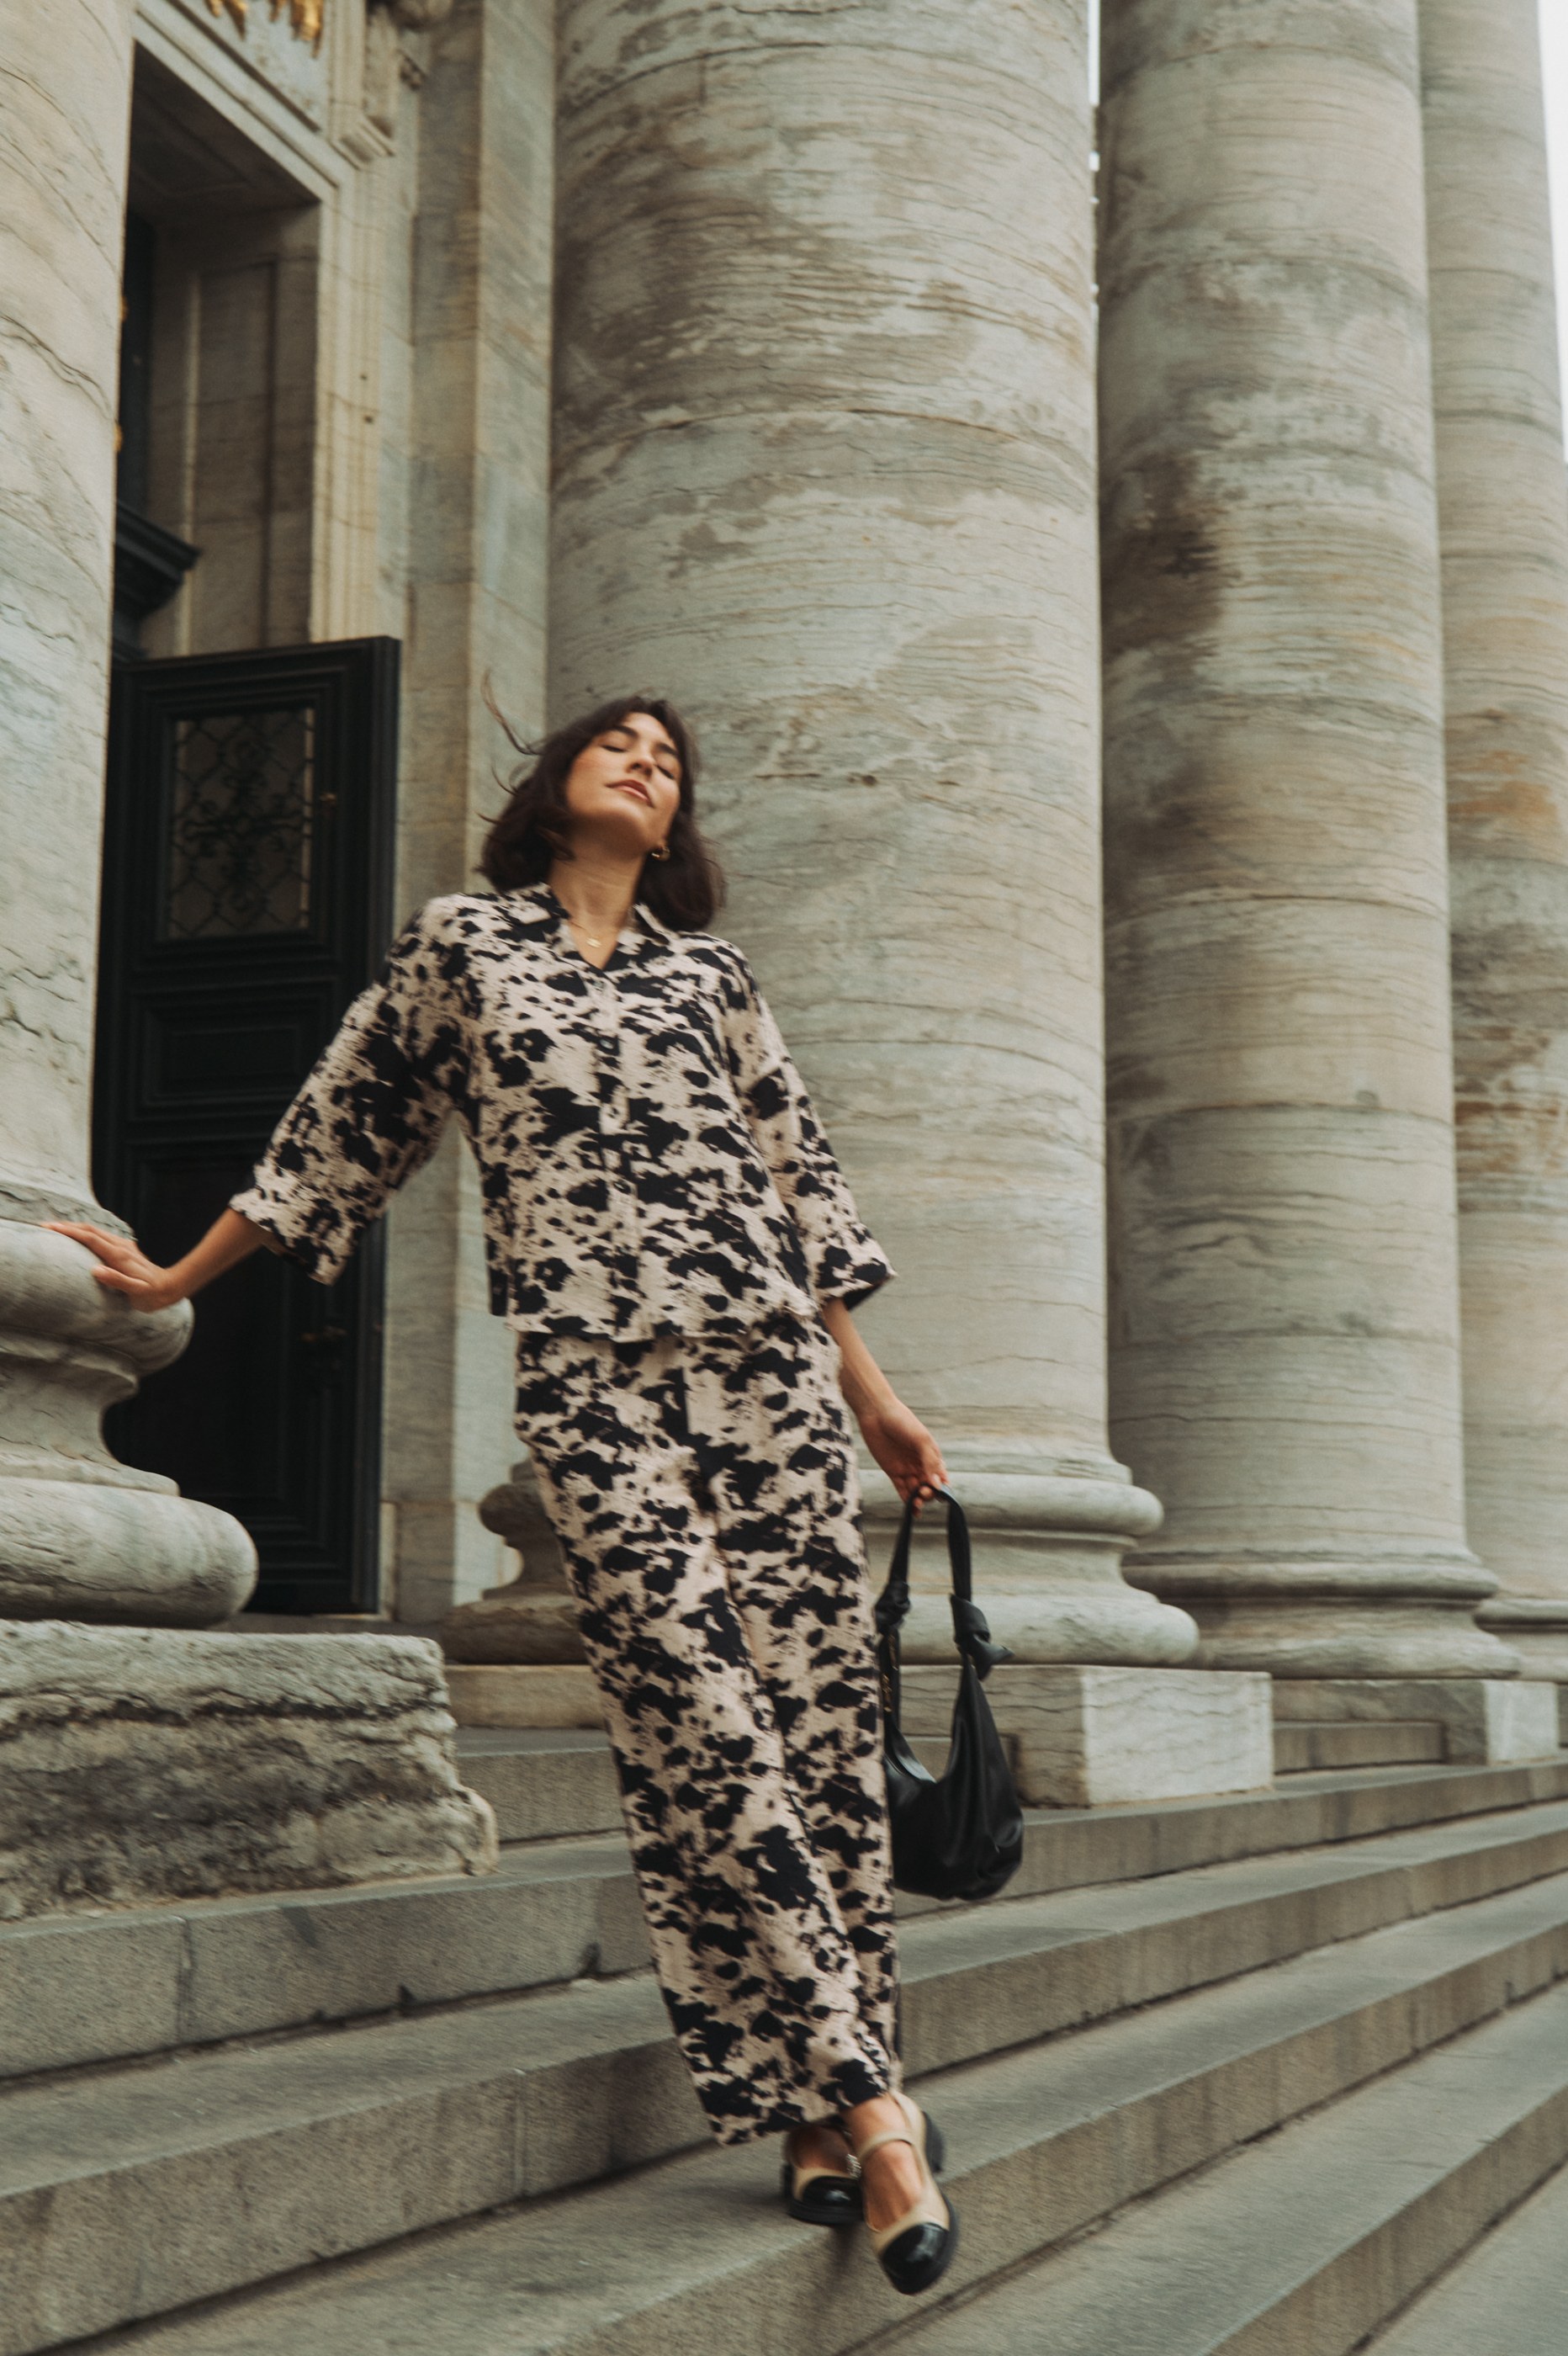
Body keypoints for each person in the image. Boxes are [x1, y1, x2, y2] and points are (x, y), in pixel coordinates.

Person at [49, 694, 957, 2295]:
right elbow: (341, 1130)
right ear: (555, 790)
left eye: (670, 763)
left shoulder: (714, 979)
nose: (645, 764)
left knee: (813, 1741)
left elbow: (802, 1184)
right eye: (620, 744)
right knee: (699, 1716)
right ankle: (883, 2112)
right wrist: (177, 1273)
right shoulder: (464, 950)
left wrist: (871, 1395)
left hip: (768, 1386)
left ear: (674, 828)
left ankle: (810, 2109)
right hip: (593, 1386)